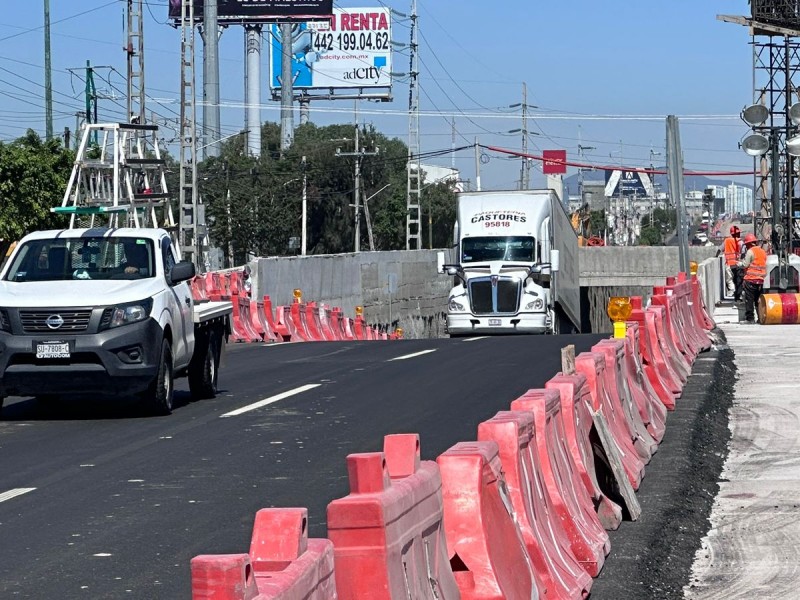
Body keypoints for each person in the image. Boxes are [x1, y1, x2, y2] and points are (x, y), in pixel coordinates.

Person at [738, 233, 767, 324]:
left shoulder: (750, 251)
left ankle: (750, 319)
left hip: (750, 280)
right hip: (761, 280)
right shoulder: (762, 251)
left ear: (749, 244)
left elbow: (745, 264)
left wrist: (738, 263)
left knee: (749, 300)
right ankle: (760, 318)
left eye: (746, 244)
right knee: (758, 300)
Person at [717, 225, 743, 301]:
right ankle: (738, 294)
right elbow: (744, 251)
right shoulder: (740, 241)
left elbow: (719, 249)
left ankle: (733, 290)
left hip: (729, 264)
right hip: (738, 263)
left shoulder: (727, 241)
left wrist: (716, 256)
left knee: (729, 280)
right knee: (738, 280)